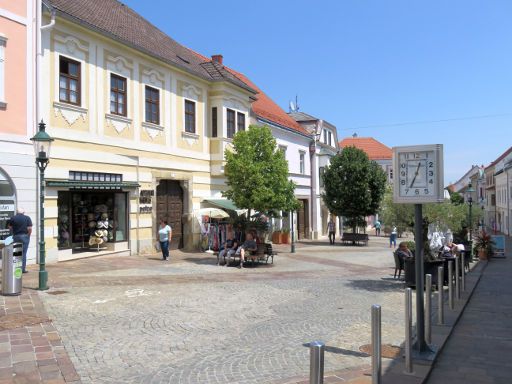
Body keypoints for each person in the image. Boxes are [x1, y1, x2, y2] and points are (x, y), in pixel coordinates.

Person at [7, 208, 32, 273]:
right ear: (23, 212)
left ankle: (17, 269)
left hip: (16, 236)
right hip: (24, 236)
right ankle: (22, 269)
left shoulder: (13, 218)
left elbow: (9, 227)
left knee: (17, 253)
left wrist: (13, 233)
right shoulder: (27, 218)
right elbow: (29, 228)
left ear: (17, 212)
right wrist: (28, 235)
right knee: (23, 253)